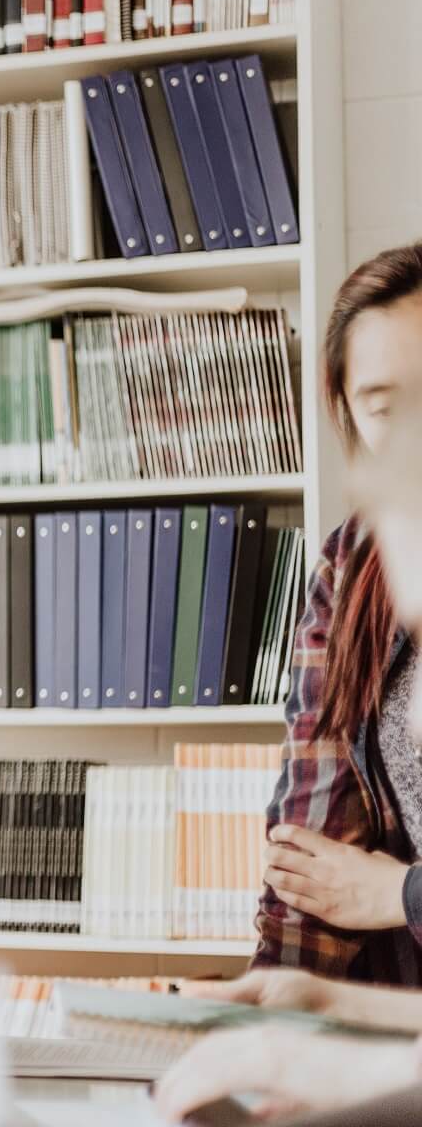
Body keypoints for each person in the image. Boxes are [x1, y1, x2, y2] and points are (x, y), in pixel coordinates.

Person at [253, 242, 422, 985]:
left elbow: (367, 888)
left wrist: (398, 892)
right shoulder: (354, 564)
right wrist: (270, 1003)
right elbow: (312, 853)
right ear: (348, 414)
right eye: (386, 408)